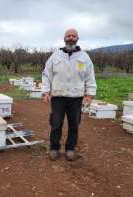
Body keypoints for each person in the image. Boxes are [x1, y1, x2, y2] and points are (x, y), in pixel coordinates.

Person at [41, 28, 97, 161]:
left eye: (73, 36)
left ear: (77, 39)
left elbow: (90, 77)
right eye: (68, 36)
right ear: (64, 38)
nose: (71, 38)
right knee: (56, 125)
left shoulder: (84, 57)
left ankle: (70, 149)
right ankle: (54, 149)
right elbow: (46, 75)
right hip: (58, 97)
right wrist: (45, 92)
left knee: (74, 125)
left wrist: (89, 94)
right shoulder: (55, 56)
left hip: (76, 98)